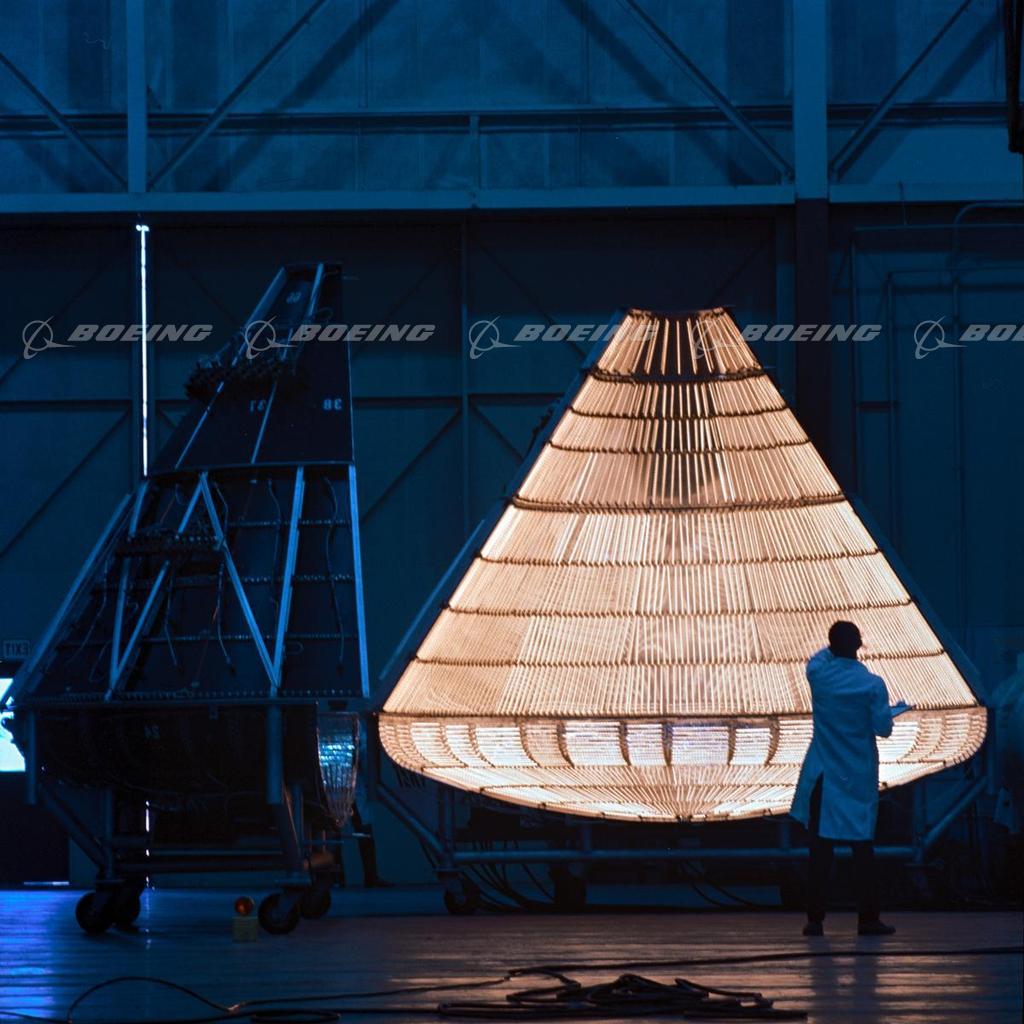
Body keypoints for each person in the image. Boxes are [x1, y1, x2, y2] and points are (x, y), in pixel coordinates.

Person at [790, 620, 912, 936]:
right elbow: (883, 728)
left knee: (820, 852)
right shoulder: (872, 685)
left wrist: (833, 646)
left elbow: (818, 658)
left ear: (832, 646)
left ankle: (815, 920)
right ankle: (868, 919)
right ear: (859, 645)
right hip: (856, 777)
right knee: (862, 851)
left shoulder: (819, 676)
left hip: (825, 776)